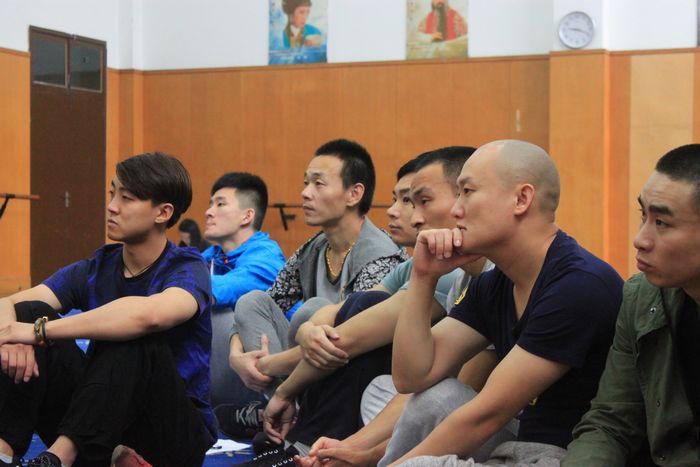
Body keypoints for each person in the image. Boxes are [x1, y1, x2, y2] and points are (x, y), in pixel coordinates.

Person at [241, 147, 494, 466]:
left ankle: (303, 433)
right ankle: (311, 438)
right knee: (281, 307)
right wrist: (349, 449)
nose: (409, 215)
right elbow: (413, 378)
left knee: (430, 393)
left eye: (419, 201)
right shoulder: (315, 247)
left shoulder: (393, 256)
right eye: (404, 201)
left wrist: (267, 370)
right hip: (401, 397)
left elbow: (464, 402)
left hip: (498, 433)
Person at [381, 140, 623, 466]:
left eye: (467, 192)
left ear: (521, 199)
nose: (456, 210)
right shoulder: (496, 283)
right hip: (519, 443)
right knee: (435, 399)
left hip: (567, 457)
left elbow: (486, 415)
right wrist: (424, 277)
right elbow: (412, 377)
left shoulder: (579, 285)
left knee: (420, 463)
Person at [0, 152, 215, 467]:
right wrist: (13, 336)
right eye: (113, 193)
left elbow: (149, 316)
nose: (112, 206)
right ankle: (4, 451)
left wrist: (40, 332)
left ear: (163, 212)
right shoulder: (99, 266)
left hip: (170, 433)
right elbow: (7, 303)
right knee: (31, 310)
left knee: (130, 333)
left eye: (126, 198)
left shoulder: (188, 268)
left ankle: (57, 459)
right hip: (101, 423)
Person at [227, 138, 407, 414]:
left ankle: (287, 408)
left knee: (313, 312)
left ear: (354, 194)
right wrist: (235, 355)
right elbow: (268, 302)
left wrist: (265, 365)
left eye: (318, 184)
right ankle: (286, 409)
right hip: (303, 369)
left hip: (352, 374)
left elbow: (347, 339)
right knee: (252, 302)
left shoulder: (381, 255)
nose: (305, 193)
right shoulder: (313, 249)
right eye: (305, 183)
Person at [562, 143, 700, 466]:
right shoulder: (643, 296)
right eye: (643, 216)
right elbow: (611, 422)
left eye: (661, 223)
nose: (640, 239)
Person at [201, 172, 285, 408]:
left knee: (217, 315)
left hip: (271, 377)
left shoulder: (267, 257)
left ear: (247, 216)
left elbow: (217, 289)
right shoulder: (213, 256)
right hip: (230, 373)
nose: (208, 212)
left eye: (220, 204)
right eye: (210, 204)